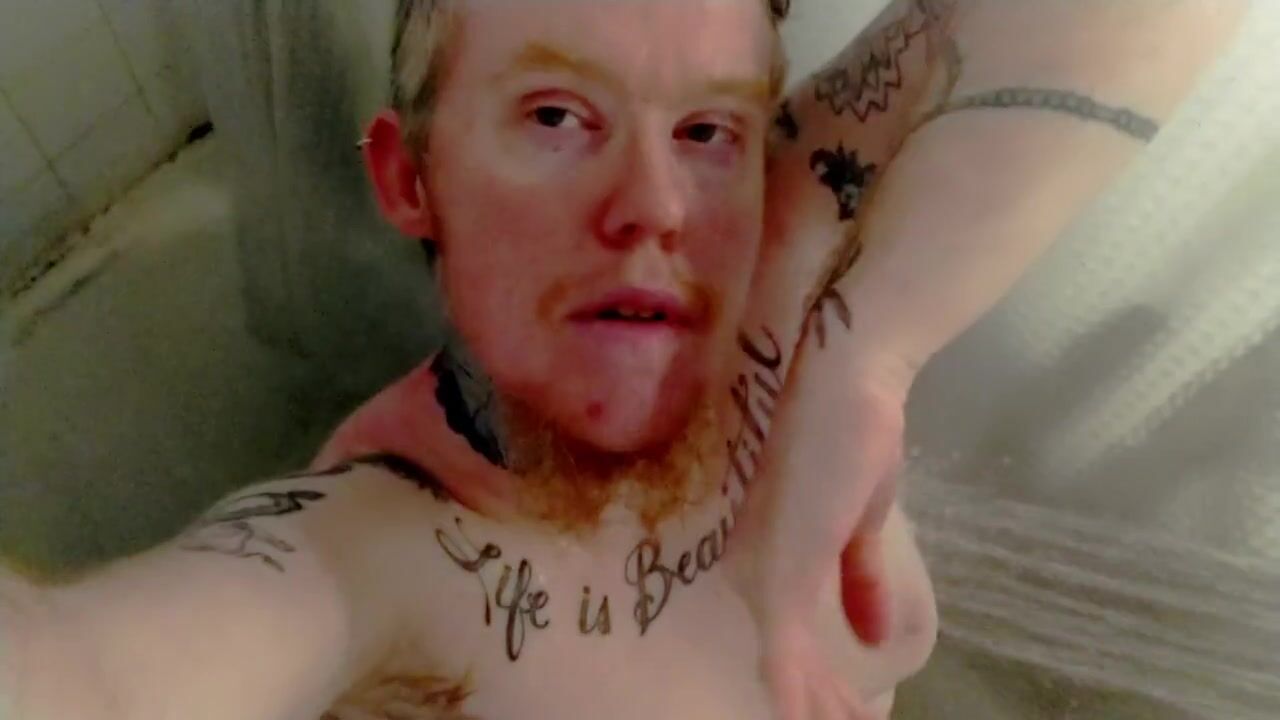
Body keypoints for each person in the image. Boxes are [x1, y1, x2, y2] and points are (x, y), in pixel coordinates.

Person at [0, 0, 1243, 718]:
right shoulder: (375, 553)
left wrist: (874, 353)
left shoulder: (777, 256)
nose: (655, 206)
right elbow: (86, 678)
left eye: (707, 128)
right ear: (410, 178)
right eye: (557, 116)